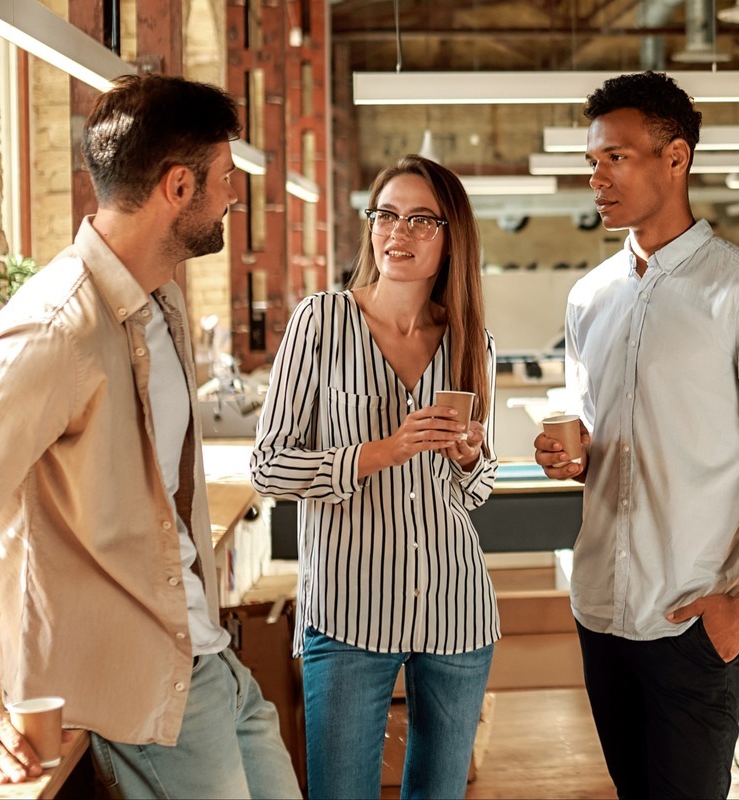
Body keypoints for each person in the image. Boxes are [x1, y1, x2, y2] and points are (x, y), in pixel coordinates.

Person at [0, 74, 300, 799]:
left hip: (209, 666)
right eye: (225, 178)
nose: (234, 195)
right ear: (178, 186)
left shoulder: (158, 305)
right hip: (137, 699)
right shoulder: (51, 332)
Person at [532, 71, 739, 799]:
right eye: (591, 162)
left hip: (692, 618)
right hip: (600, 608)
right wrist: (569, 457)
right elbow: (599, 441)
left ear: (676, 158)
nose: (597, 177)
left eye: (616, 157)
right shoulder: (588, 298)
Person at [250, 154, 498, 800]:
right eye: (386, 215)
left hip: (455, 608)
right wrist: (378, 452)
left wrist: (470, 455)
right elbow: (268, 464)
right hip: (350, 611)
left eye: (421, 220)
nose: (398, 233)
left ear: (451, 237)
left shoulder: (472, 340)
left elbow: (474, 491)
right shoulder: (321, 322)